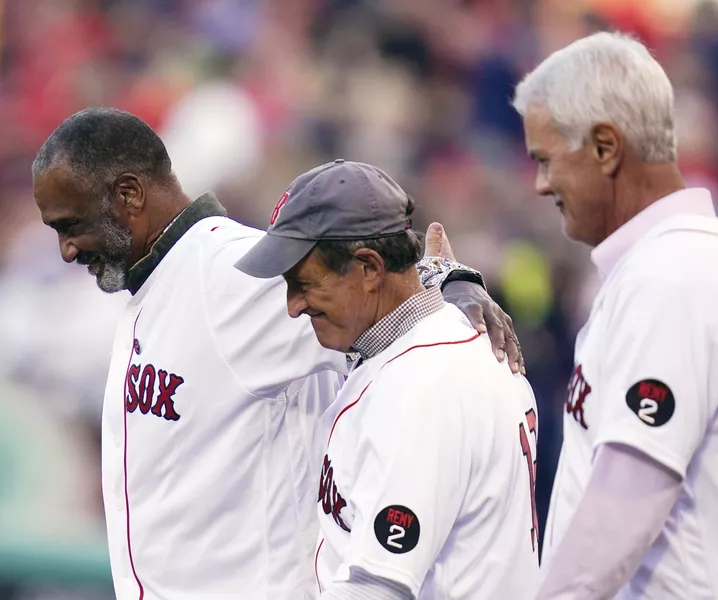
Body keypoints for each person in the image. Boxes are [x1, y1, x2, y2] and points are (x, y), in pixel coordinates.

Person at [31, 108, 523, 600]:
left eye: (71, 225)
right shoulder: (163, 282)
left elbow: (374, 290)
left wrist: (450, 282)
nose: (66, 250)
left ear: (129, 195)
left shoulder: (223, 272)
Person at [512, 32, 718, 599]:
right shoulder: (706, 265)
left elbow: (626, 499)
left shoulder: (674, 277)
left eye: (547, 160)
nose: (542, 183)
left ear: (605, 147)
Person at [235, 159, 540, 600]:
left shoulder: (420, 385)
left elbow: (375, 589)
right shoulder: (439, 344)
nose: (293, 306)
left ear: (370, 267)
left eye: (304, 283)